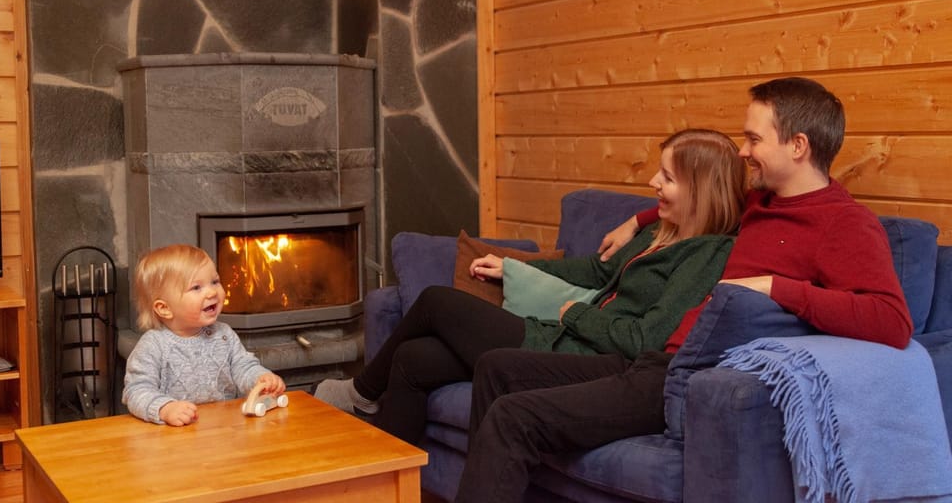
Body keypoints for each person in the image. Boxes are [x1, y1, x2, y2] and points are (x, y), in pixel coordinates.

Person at [453, 76, 914, 503]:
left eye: (754, 139)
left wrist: (777, 288)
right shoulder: (761, 202)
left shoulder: (845, 225)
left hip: (680, 376)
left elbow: (891, 322)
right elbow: (700, 196)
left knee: (515, 417)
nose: (742, 151)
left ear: (798, 146)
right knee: (497, 368)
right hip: (650, 360)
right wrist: (638, 219)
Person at [314, 128, 746, 444]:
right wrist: (514, 265)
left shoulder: (707, 253)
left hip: (577, 351)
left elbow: (647, 336)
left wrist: (575, 314)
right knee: (411, 359)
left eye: (667, 178)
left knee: (435, 302)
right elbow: (595, 272)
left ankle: (362, 393)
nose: (653, 182)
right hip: (558, 333)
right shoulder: (659, 232)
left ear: (700, 190)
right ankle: (396, 488)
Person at [122, 244, 286, 426]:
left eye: (215, 282)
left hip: (223, 428)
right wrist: (165, 408)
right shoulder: (153, 345)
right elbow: (136, 390)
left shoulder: (224, 334)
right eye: (196, 288)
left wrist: (260, 378)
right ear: (164, 308)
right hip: (175, 436)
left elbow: (243, 366)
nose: (212, 292)